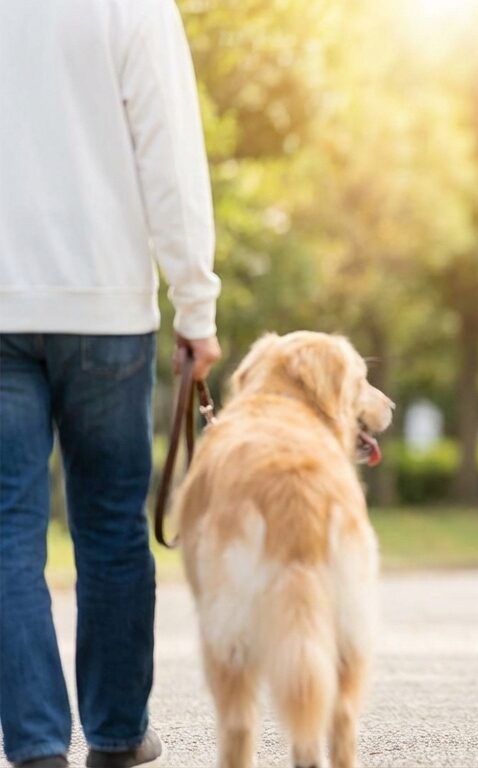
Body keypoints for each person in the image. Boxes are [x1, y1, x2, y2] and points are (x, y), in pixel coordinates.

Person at [0, 1, 222, 766]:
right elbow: (170, 157)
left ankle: (34, 747)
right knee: (110, 528)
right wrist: (197, 306)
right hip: (105, 308)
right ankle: (118, 736)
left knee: (5, 534)